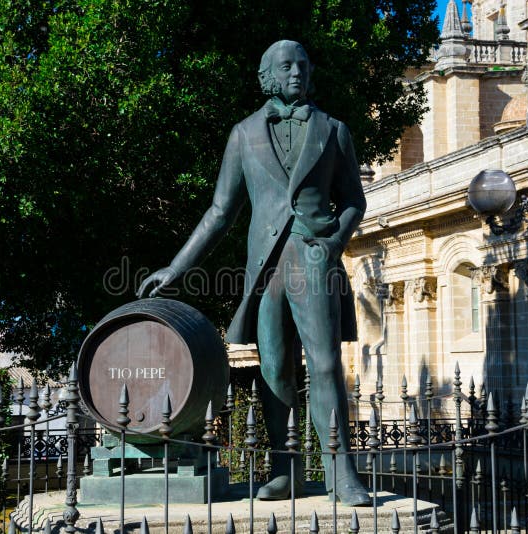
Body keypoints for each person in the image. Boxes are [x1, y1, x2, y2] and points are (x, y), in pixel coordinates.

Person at [137, 40, 370, 506]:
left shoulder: (333, 130)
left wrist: (331, 242)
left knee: (324, 365)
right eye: (286, 66)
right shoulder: (243, 134)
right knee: (274, 370)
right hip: (265, 265)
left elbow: (353, 202)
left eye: (303, 64)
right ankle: (286, 471)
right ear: (266, 76)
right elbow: (220, 211)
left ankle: (341, 472)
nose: (297, 72)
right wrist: (178, 268)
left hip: (313, 258)